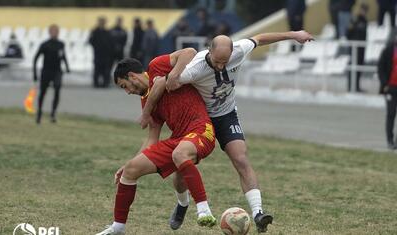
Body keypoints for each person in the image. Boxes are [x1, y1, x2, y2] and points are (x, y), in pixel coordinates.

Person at [140, 30, 314, 233]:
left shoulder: (239, 50)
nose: (222, 65)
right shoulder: (195, 68)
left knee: (241, 158)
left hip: (227, 115)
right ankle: (182, 204)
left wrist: (295, 35)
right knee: (181, 170)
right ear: (209, 51)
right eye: (217, 61)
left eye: (226, 61)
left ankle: (258, 213)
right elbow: (163, 83)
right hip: (200, 119)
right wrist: (148, 111)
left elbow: (260, 39)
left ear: (233, 52)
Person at [95, 48, 217, 235]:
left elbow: (190, 52)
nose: (127, 92)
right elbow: (152, 138)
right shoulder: (146, 102)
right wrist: (129, 163)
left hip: (201, 129)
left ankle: (203, 210)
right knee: (131, 170)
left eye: (124, 86)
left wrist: (173, 76)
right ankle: (118, 227)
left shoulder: (156, 66)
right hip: (178, 139)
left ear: (132, 76)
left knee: (180, 154)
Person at [33, 24, 70, 124]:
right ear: (49, 32)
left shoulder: (61, 44)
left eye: (56, 31)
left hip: (57, 71)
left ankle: (53, 114)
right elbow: (36, 58)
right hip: (46, 71)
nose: (55, 33)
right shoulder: (45, 45)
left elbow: (63, 56)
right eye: (53, 31)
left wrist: (67, 67)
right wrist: (35, 74)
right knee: (43, 93)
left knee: (57, 90)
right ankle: (39, 112)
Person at [378, 30, 397, 149]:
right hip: (390, 87)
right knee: (391, 114)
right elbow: (381, 67)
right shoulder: (388, 50)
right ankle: (390, 140)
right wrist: (384, 84)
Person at [347, 3, 368, 92]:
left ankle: (357, 86)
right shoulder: (354, 19)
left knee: (359, 67)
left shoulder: (365, 21)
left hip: (361, 48)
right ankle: (351, 86)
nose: (364, 12)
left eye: (365, 10)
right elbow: (348, 33)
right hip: (353, 48)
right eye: (363, 10)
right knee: (353, 67)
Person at [89, 16, 113, 88]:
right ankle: (96, 83)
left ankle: (105, 83)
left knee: (106, 69)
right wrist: (96, 47)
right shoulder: (94, 31)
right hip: (98, 53)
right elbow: (91, 41)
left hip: (106, 54)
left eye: (103, 21)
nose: (102, 23)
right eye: (101, 21)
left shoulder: (107, 32)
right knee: (97, 68)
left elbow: (110, 43)